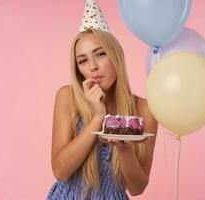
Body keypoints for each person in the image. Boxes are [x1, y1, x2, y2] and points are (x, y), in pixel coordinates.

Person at [47, 1, 158, 199]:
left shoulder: (144, 109)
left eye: (100, 54)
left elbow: (137, 188)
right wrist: (98, 117)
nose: (92, 67)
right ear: (77, 68)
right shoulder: (67, 97)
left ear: (115, 55)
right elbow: (60, 171)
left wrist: (125, 151)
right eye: (82, 60)